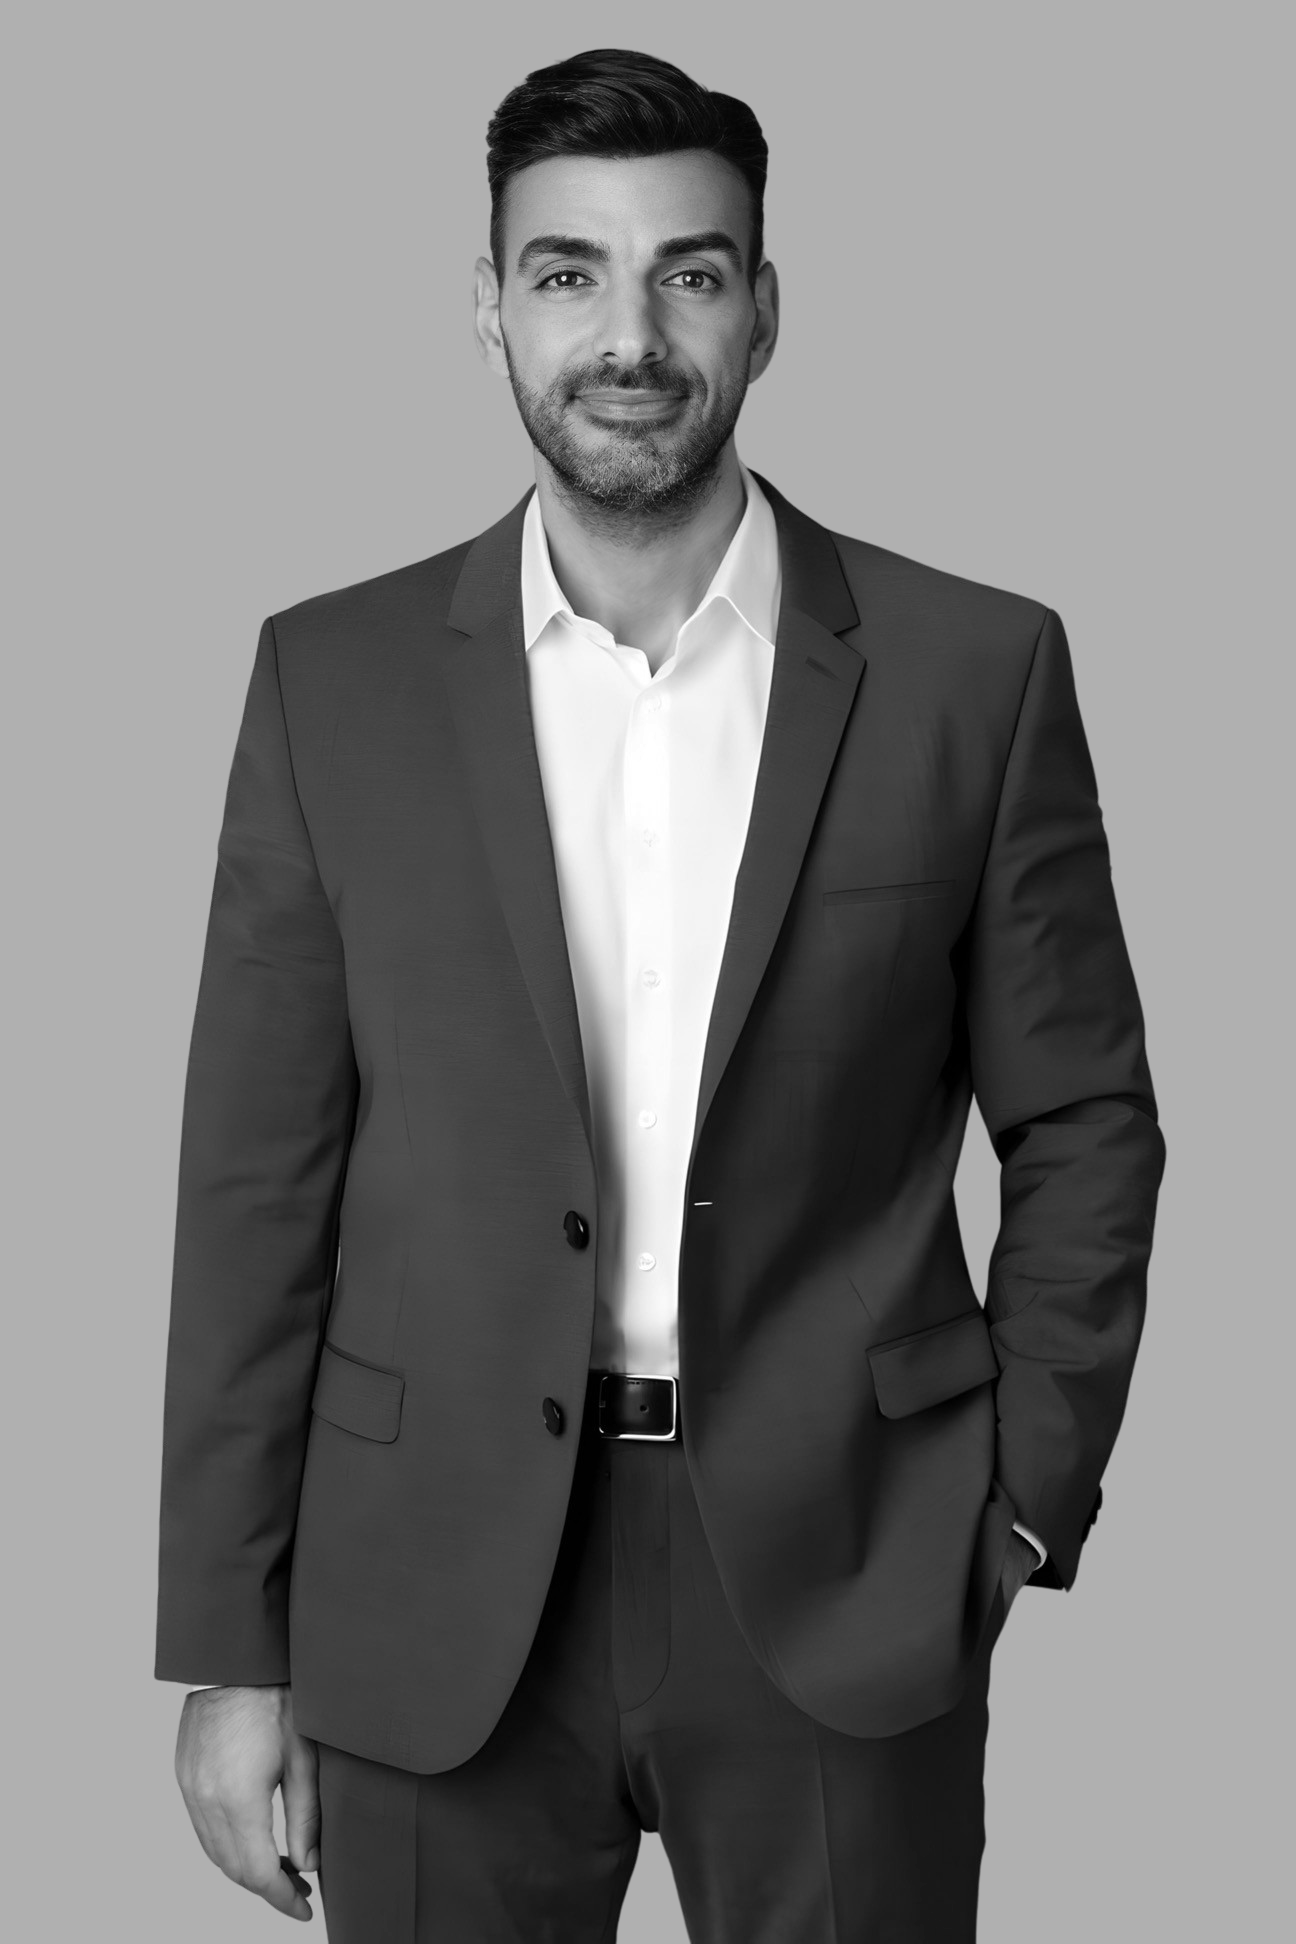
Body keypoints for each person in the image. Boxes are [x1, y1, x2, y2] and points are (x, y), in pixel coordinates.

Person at [156, 47, 1165, 1942]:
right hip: (429, 1577)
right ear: (490, 309)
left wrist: (1021, 1500)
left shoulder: (974, 670)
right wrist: (229, 1639)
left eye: (688, 273)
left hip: (848, 1562)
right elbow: (255, 1180)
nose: (629, 335)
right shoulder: (330, 682)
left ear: (763, 310)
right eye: (568, 273)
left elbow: (1086, 1119)